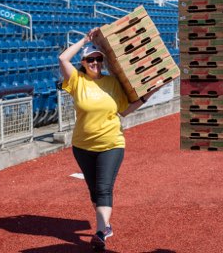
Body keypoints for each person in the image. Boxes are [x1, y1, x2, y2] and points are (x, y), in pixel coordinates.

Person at [58, 27, 155, 251]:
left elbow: (124, 110)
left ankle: (100, 232)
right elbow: (62, 58)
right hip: (82, 146)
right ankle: (106, 224)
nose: (95, 62)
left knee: (103, 188)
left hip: (111, 144)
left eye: (98, 59)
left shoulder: (112, 83)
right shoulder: (77, 81)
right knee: (94, 191)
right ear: (83, 62)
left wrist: (146, 96)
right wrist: (85, 40)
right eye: (90, 59)